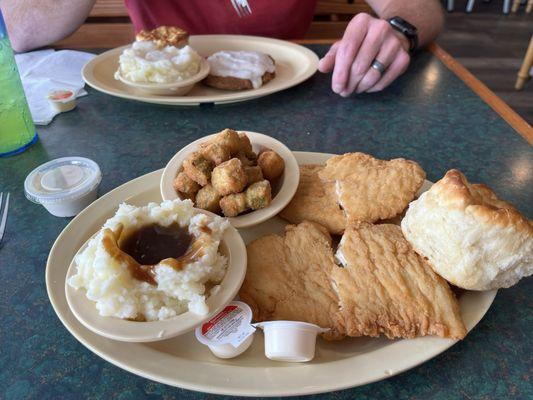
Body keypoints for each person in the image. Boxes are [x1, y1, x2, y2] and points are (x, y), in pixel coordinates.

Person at [1, 0, 444, 96]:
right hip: (157, 100)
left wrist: (398, 27)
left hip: (293, 95)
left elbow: (423, 8)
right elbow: (19, 32)